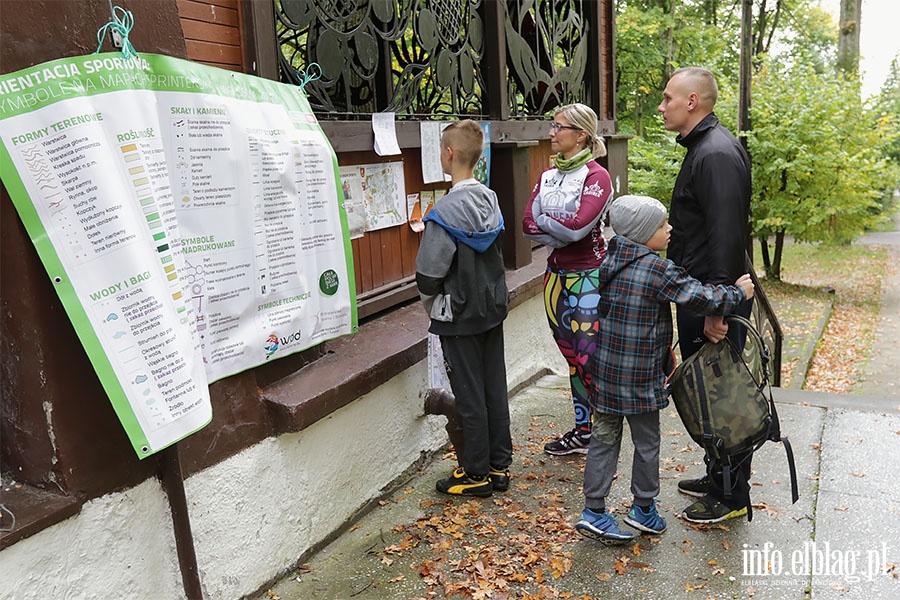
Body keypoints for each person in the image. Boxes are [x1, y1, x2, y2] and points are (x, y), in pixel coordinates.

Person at [575, 194, 754, 544]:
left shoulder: (610, 260)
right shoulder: (656, 270)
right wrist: (737, 292)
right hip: (640, 377)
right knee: (647, 442)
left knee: (604, 439)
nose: (669, 228)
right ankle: (643, 509)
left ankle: (593, 510)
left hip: (607, 373)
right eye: (661, 224)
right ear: (643, 233)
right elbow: (699, 296)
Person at [658, 67, 755, 524]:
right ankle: (718, 474)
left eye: (668, 99)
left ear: (692, 101)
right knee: (707, 390)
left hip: (713, 300)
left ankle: (731, 496)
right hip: (703, 295)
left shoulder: (714, 153)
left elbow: (726, 235)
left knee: (722, 396)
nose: (662, 107)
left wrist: (720, 308)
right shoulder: (704, 147)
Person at [416, 120, 512, 498]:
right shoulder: (491, 200)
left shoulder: (443, 213)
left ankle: (474, 474)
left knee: (469, 394)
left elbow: (429, 274)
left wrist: (437, 305)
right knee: (493, 388)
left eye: (442, 149)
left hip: (458, 315)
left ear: (449, 153)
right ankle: (497, 466)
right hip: (491, 309)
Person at [522, 103, 614, 456]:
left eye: (558, 127)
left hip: (588, 277)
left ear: (581, 135)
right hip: (555, 279)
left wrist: (550, 225)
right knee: (572, 359)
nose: (551, 132)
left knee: (590, 359)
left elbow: (578, 231)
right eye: (552, 125)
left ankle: (605, 438)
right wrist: (556, 230)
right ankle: (583, 431)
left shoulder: (597, 176)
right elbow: (526, 225)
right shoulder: (548, 176)